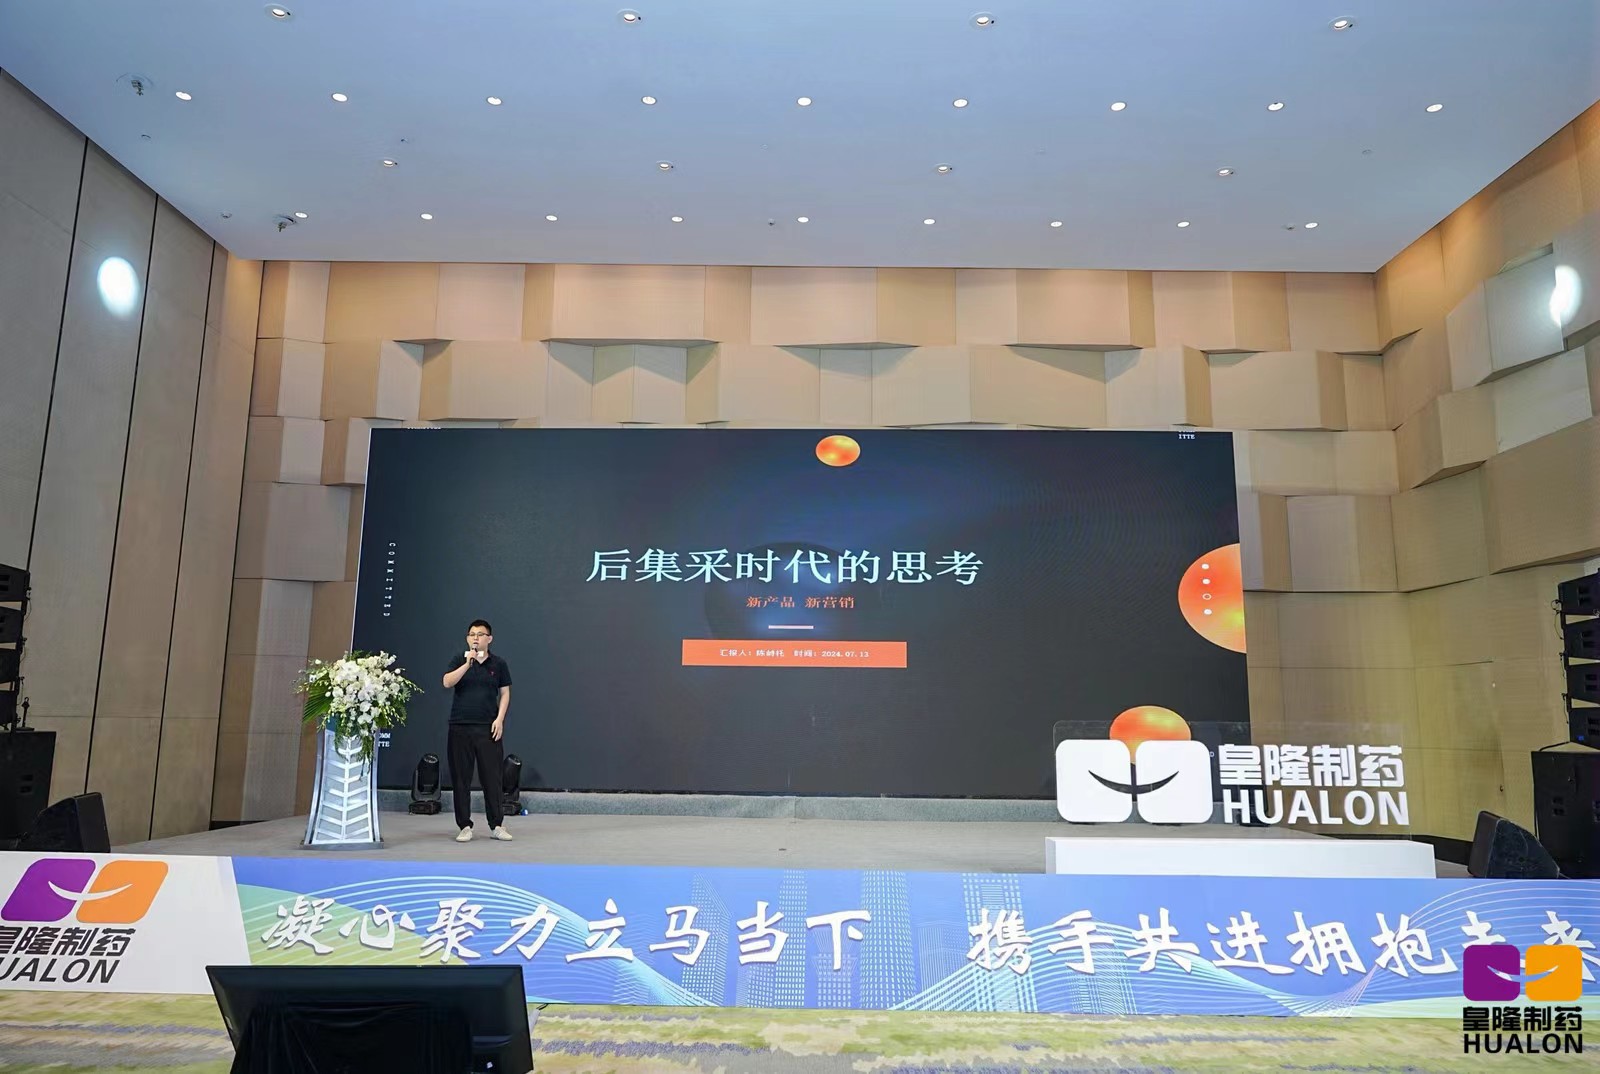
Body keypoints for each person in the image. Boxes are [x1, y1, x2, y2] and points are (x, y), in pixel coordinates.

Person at [441, 619, 513, 842]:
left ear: (489, 639)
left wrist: (499, 719)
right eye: (472, 634)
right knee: (461, 778)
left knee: (492, 778)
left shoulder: (498, 664)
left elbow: (505, 693)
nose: (475, 638)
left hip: (487, 728)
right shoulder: (459, 659)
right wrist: (467, 664)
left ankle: (497, 825)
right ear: (467, 638)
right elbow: (447, 682)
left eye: (480, 634)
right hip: (460, 726)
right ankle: (464, 826)